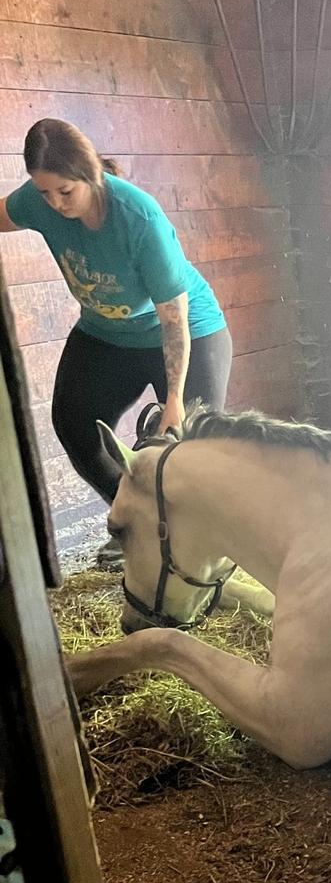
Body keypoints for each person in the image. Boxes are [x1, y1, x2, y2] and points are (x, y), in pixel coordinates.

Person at [0, 118, 232, 568]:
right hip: (106, 332)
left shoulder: (138, 217)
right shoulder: (39, 201)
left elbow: (173, 317)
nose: (54, 203)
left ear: (89, 174)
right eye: (44, 192)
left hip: (187, 330)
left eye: (65, 191)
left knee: (195, 448)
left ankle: (202, 551)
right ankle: (135, 523)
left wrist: (176, 400)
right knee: (73, 423)